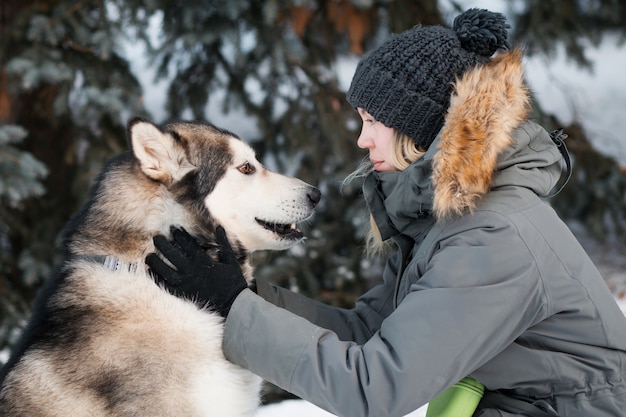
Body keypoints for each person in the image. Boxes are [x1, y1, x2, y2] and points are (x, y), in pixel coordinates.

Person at [146, 8, 626, 417]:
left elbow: (376, 387)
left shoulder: (494, 236)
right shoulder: (445, 222)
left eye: (373, 122)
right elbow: (368, 334)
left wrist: (235, 309)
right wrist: (244, 296)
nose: (362, 139)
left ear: (419, 127)